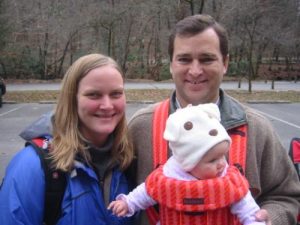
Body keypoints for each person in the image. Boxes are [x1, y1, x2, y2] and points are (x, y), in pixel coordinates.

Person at [128, 14, 300, 225]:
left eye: (206, 59)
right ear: (171, 64)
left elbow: (286, 196)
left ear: (225, 63)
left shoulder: (258, 129)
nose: (195, 70)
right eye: (184, 59)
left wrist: (271, 219)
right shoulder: (141, 127)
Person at [0, 53, 136, 225]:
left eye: (116, 94)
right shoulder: (33, 166)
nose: (107, 105)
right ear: (72, 99)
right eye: (94, 95)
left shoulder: (128, 159)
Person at [108, 103, 265, 225]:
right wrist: (128, 203)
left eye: (223, 156)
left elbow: (248, 209)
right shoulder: (166, 177)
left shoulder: (229, 182)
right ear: (188, 162)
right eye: (212, 160)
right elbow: (145, 192)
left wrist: (255, 221)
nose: (222, 164)